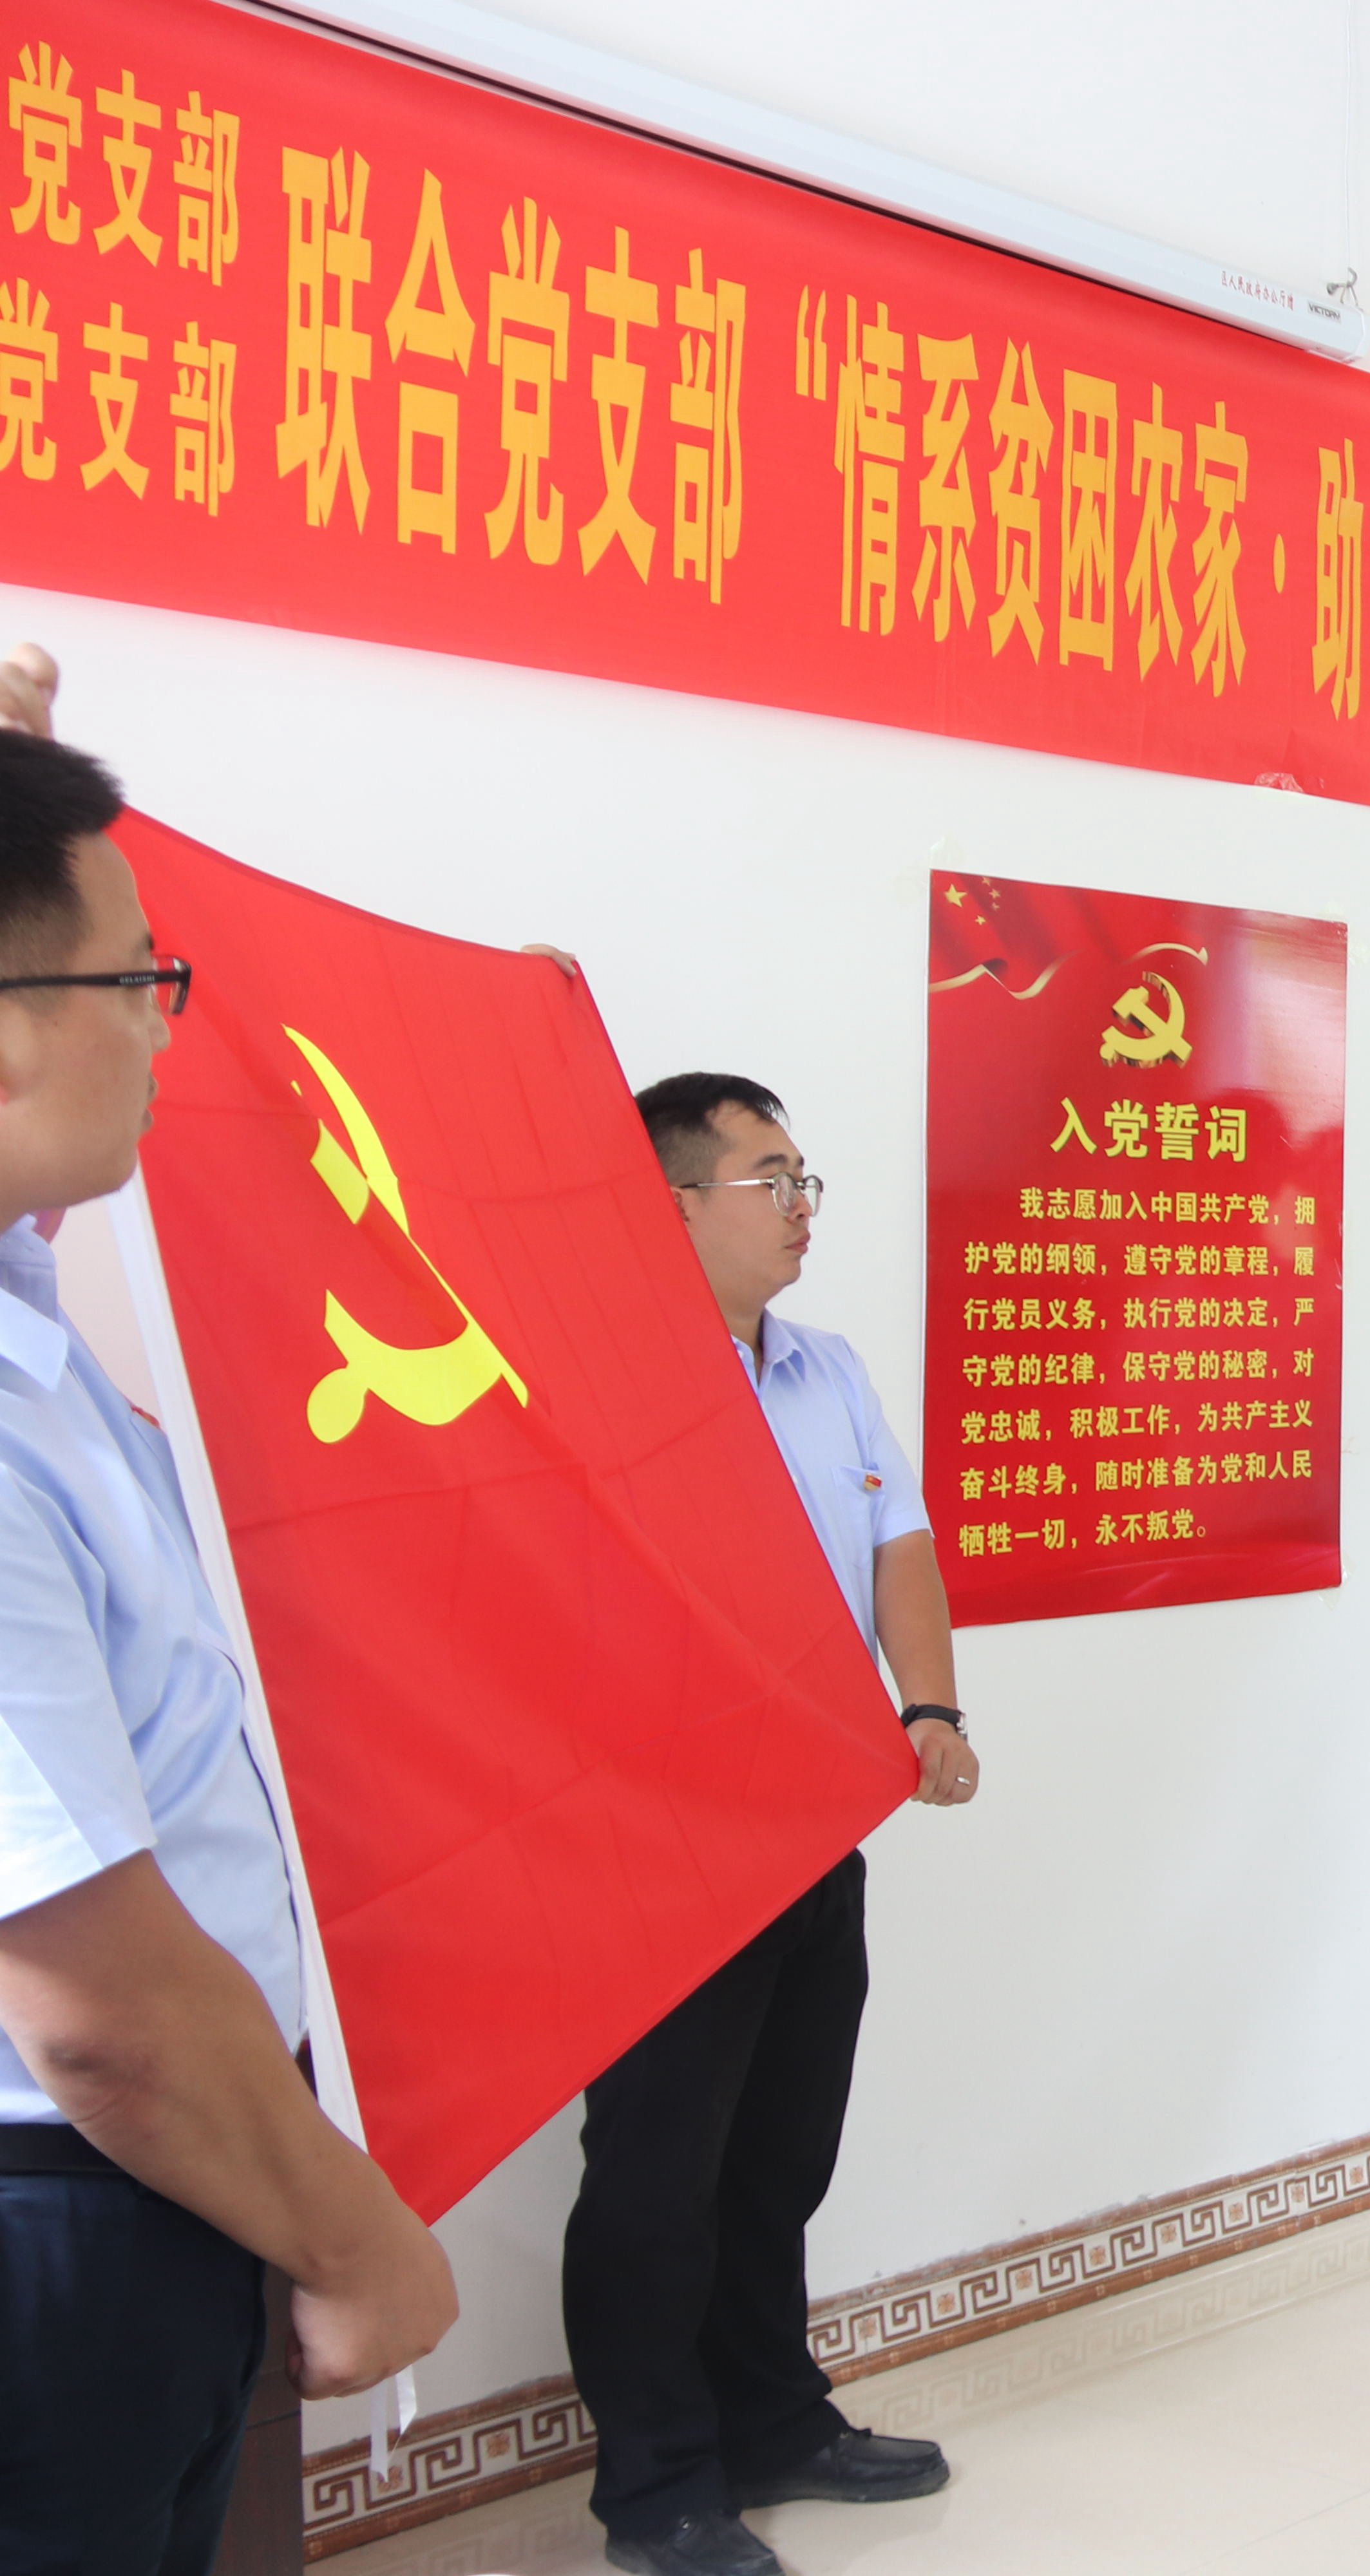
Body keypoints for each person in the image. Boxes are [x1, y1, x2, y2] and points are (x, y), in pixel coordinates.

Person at [0, 672, 460, 2576]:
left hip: (137, 2185)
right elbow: (96, 2004)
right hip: (67, 2207)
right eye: (139, 980)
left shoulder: (29, 1325)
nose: (163, 1030)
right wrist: (360, 2244)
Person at [560, 1074, 982, 2576]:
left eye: (807, 1175)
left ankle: (773, 2419)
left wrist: (928, 1707)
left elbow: (900, 1545)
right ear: (671, 1202)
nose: (803, 1204)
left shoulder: (828, 1368)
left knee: (779, 2148)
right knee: (657, 2173)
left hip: (813, 1819)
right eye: (769, 1177)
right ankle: (658, 2486)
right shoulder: (596, 1382)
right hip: (661, 1839)